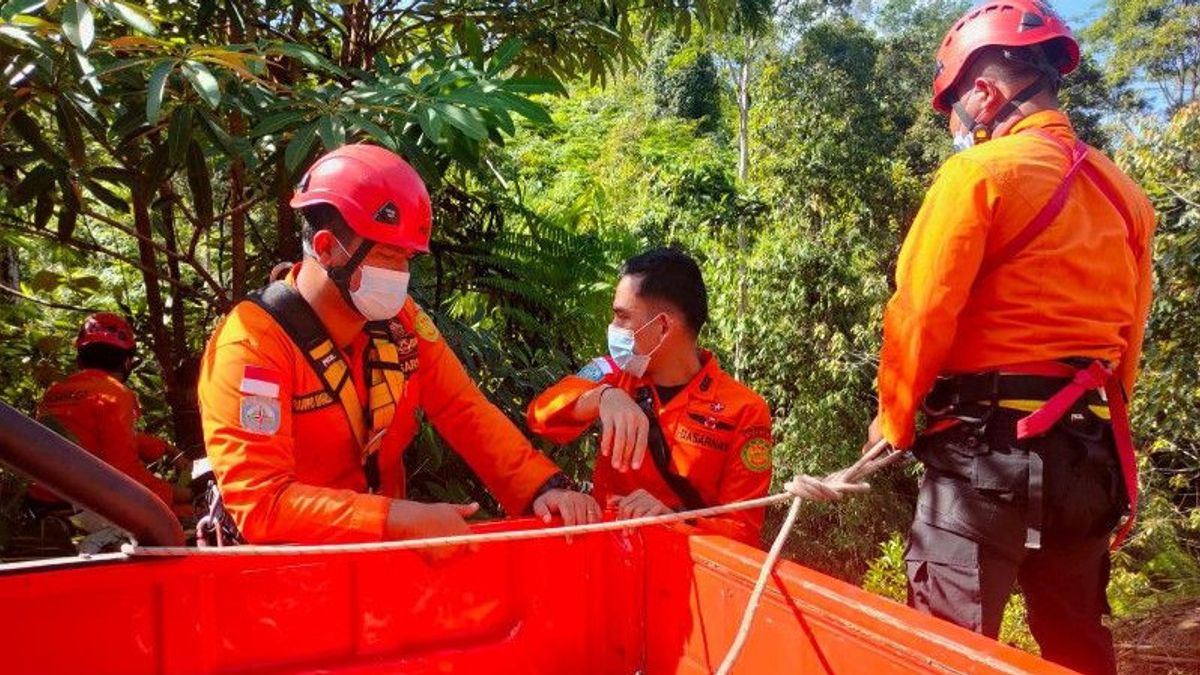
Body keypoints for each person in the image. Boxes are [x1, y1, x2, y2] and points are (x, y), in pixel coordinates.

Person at [858, 2, 1155, 673]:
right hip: (1090, 460)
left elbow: (921, 310)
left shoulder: (979, 174)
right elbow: (1125, 342)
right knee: (1077, 649)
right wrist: (1105, 434)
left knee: (944, 654)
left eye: (956, 106)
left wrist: (894, 419)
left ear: (986, 93)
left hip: (984, 455)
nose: (957, 125)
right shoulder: (1127, 195)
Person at [197, 144, 599, 545]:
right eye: (389, 256)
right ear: (326, 249)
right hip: (283, 575)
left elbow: (462, 408)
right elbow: (263, 504)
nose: (400, 275)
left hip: (377, 561)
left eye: (407, 258)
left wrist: (543, 489)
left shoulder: (400, 323)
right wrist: (394, 517)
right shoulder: (251, 346)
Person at [527, 248, 777, 546]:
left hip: (687, 577)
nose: (613, 328)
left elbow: (743, 532)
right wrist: (604, 397)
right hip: (608, 558)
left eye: (622, 317)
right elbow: (539, 415)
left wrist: (674, 518)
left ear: (662, 326)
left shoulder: (745, 410)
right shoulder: (612, 372)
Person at [35, 313, 192, 537]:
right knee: (183, 516)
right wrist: (178, 493)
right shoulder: (115, 394)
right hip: (81, 505)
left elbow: (91, 438)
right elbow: (124, 475)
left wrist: (163, 447)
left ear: (80, 358)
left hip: (43, 500)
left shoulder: (55, 393)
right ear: (127, 362)